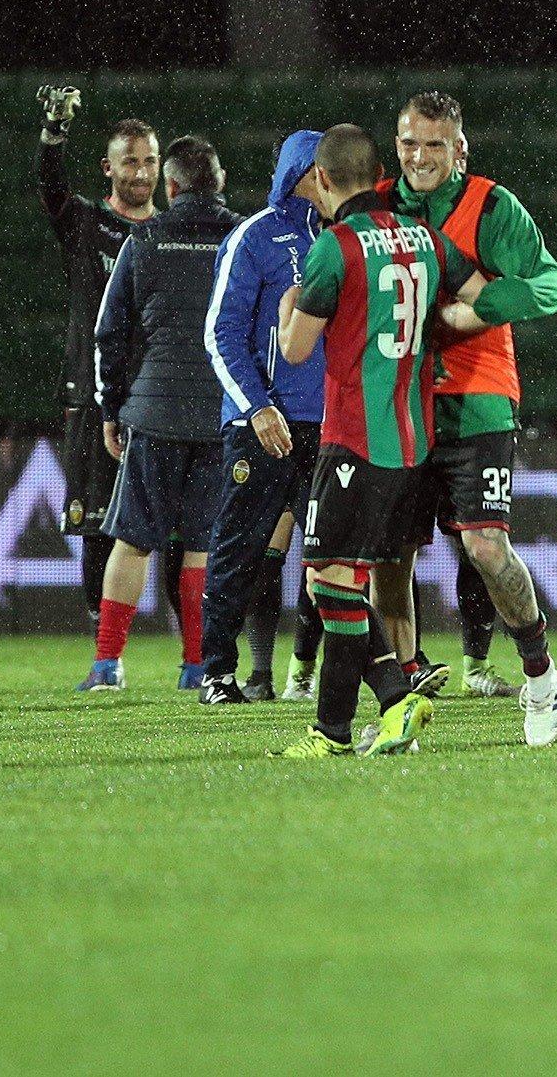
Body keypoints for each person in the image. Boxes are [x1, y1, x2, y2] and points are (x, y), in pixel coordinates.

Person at [271, 124, 495, 757]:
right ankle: (388, 702)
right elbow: (483, 299)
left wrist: (289, 304)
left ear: (321, 178)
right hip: (414, 441)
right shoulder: (425, 237)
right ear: (378, 176)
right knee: (337, 582)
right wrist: (437, 330)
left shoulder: (335, 248)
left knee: (329, 582)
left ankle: (342, 726)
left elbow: (295, 349)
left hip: (354, 440)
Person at [378, 92, 557, 708]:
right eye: (410, 143)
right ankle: (405, 680)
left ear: (459, 149)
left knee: (484, 546)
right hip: (399, 404)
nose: (419, 157)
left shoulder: (492, 206)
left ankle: (538, 668)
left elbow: (551, 285)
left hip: (478, 397)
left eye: (434, 145)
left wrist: (479, 309)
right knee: (391, 555)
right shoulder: (377, 206)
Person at [79, 138, 239, 692]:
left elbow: (109, 332)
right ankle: (196, 667)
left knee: (132, 540)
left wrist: (112, 407)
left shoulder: (144, 239)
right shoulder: (242, 236)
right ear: (219, 182)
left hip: (155, 412)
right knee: (202, 545)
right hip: (221, 413)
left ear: (169, 187)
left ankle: (107, 665)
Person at [196, 130, 327, 704]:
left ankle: (323, 674)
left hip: (329, 425)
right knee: (241, 548)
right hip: (263, 425)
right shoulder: (253, 236)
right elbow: (220, 333)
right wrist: (257, 406)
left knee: (334, 557)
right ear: (307, 173)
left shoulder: (343, 239)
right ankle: (217, 673)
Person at [36, 88, 156, 621]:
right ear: (108, 168)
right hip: (93, 396)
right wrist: (53, 136)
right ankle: (105, 649)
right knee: (96, 528)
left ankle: (192, 653)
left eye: (149, 160)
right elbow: (51, 189)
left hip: (157, 398)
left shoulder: (169, 234)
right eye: (130, 161)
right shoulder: (87, 223)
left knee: (177, 534)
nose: (141, 171)